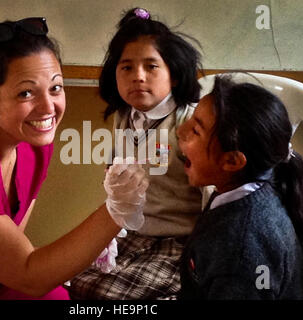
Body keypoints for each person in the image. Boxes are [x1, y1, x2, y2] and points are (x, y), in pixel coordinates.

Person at [0, 17, 148, 299]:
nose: (48, 108)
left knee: (55, 298)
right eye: (26, 93)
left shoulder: (32, 141)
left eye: (55, 88)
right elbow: (28, 275)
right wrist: (116, 211)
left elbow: (13, 254)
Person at [68, 8, 206, 300]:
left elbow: (215, 197)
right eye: (126, 67)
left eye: (151, 66)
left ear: (175, 75)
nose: (137, 77)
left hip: (182, 241)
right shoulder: (124, 115)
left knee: (111, 294)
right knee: (73, 281)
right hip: (134, 234)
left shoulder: (190, 123)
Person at [176, 74, 303, 299]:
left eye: (196, 130)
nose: (181, 130)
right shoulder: (255, 183)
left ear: (232, 161)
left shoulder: (239, 257)